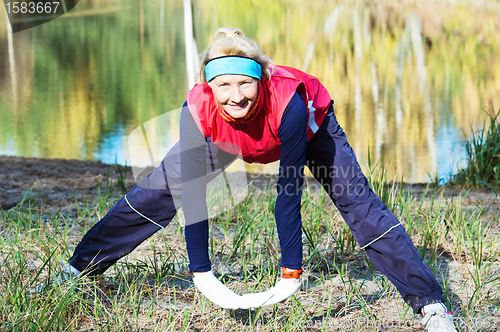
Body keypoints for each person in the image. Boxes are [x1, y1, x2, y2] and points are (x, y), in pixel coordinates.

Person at [51, 27, 456, 332]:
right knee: (155, 192)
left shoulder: (290, 105)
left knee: (360, 206)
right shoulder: (198, 110)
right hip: (225, 138)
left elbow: (288, 192)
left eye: (245, 82)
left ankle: (430, 304)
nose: (235, 95)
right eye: (223, 85)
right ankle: (78, 270)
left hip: (308, 133)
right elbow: (194, 198)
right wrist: (202, 272)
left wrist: (291, 272)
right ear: (208, 86)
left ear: (261, 80)